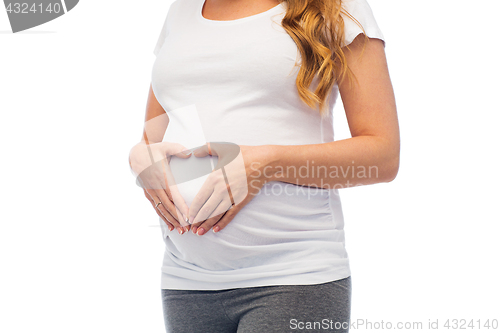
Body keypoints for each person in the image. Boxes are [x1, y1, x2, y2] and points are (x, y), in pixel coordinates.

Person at [128, 0, 400, 331]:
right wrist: (140, 157)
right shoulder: (182, 9)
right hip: (186, 280)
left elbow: (383, 156)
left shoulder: (336, 7)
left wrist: (266, 163)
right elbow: (156, 132)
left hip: (292, 277)